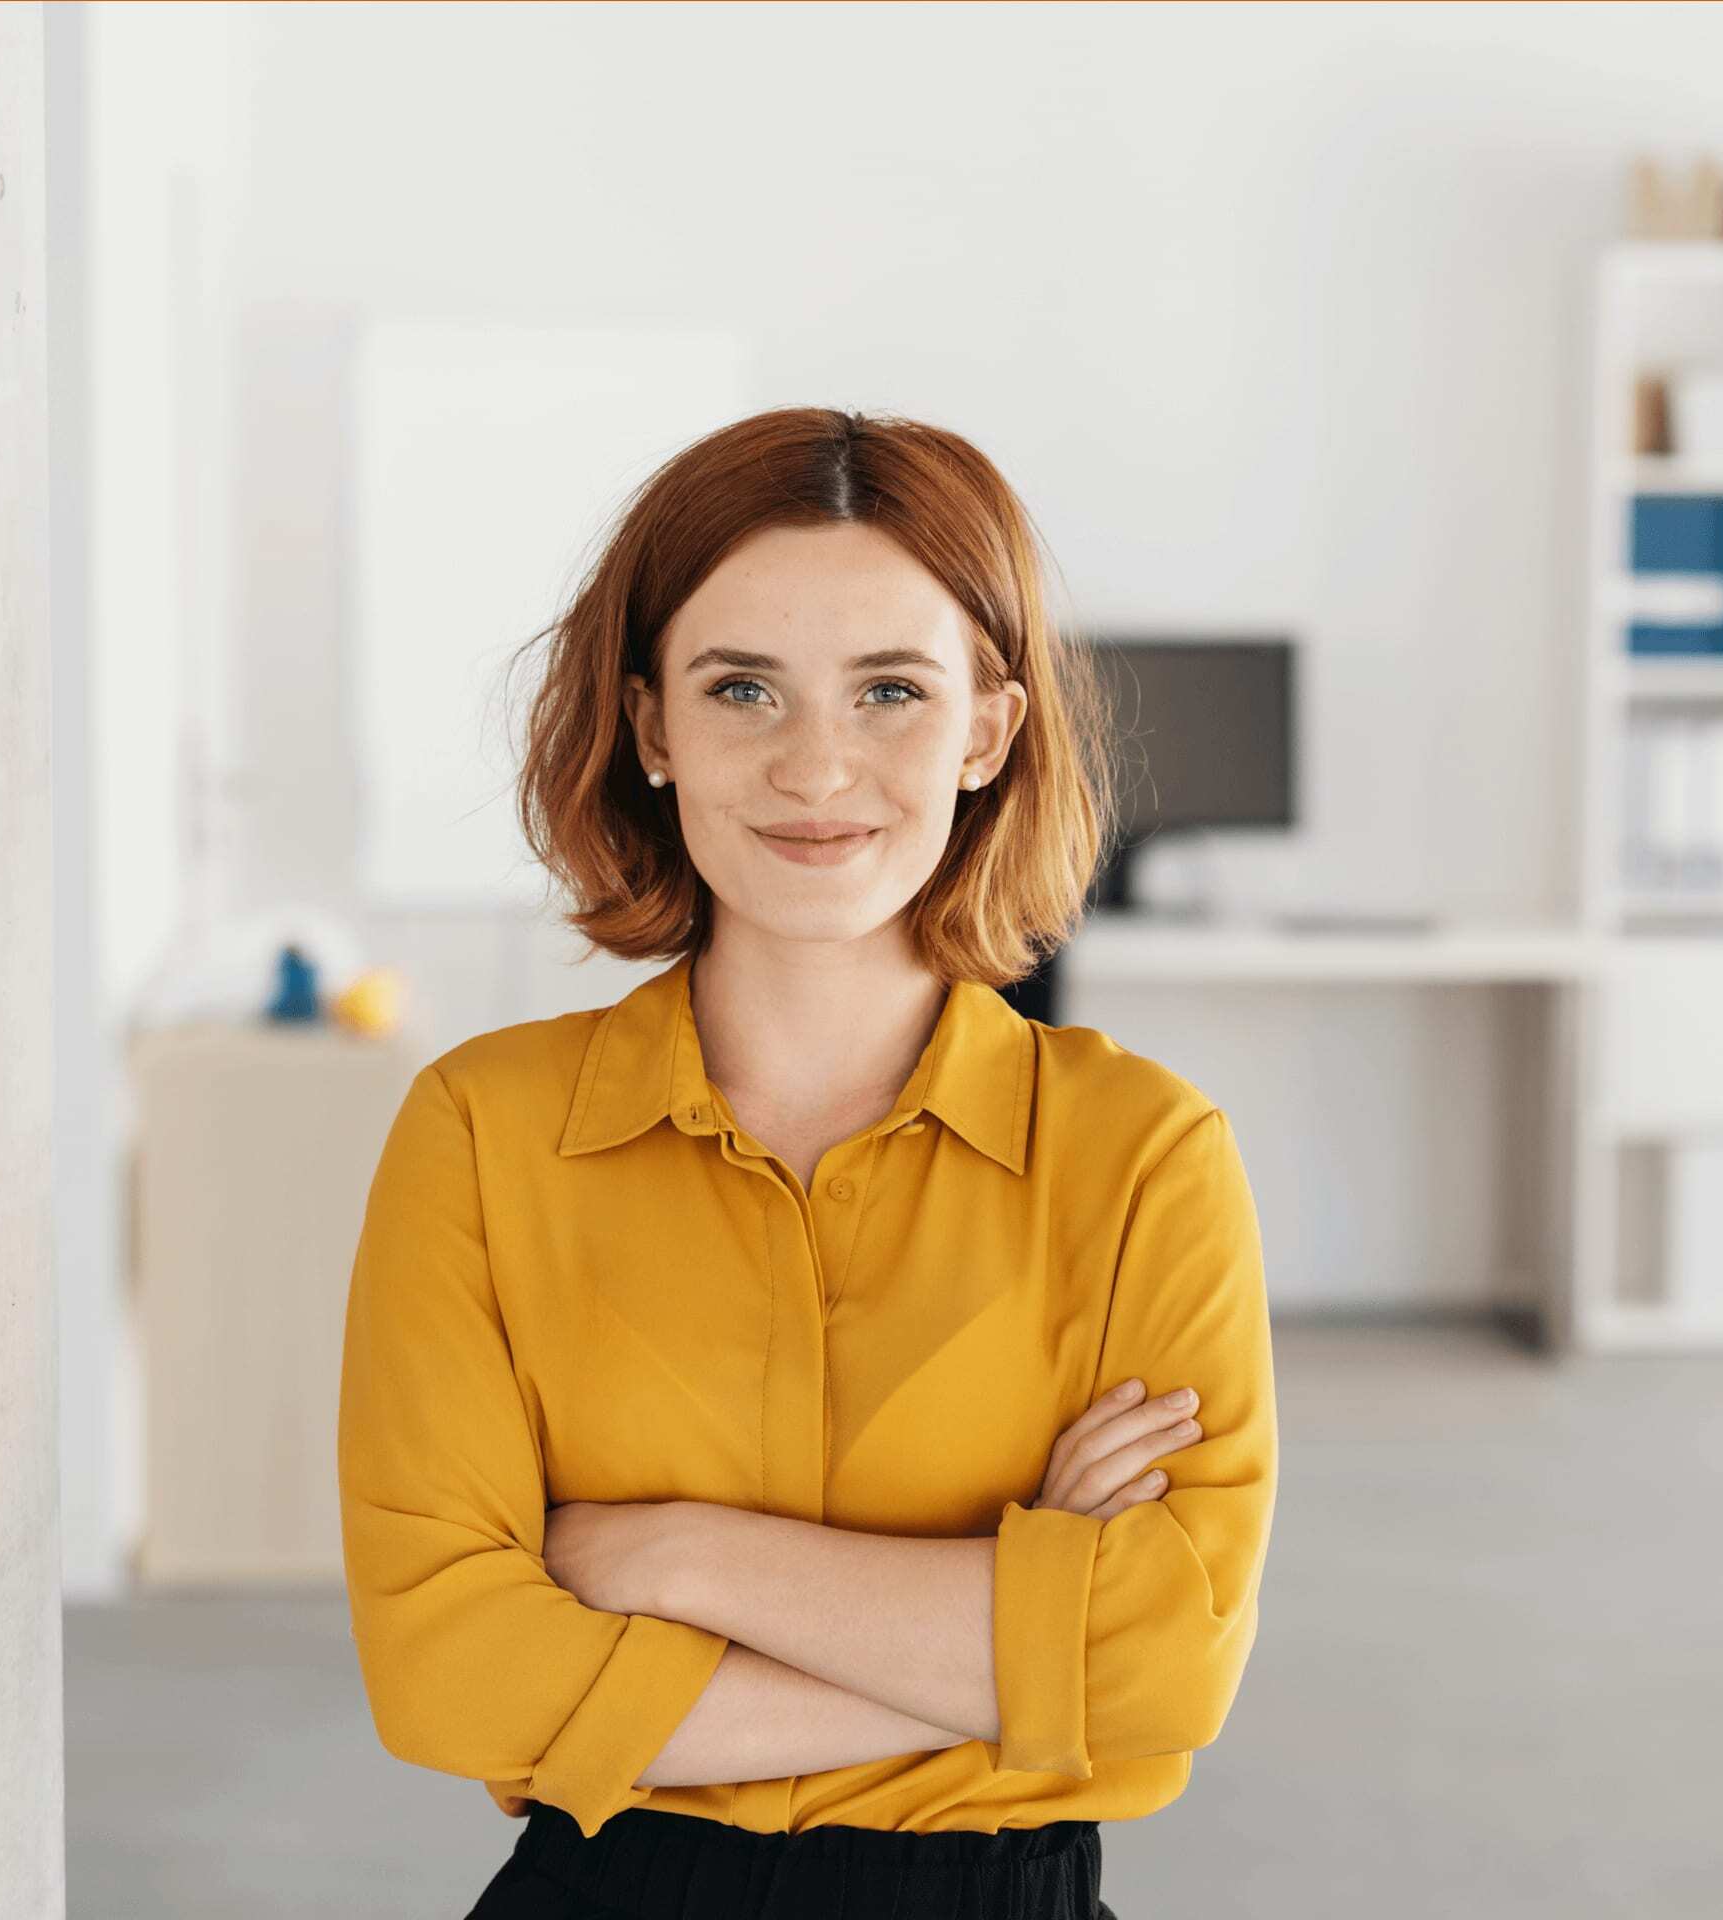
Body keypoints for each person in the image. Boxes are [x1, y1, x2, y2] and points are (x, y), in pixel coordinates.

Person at [336, 407, 1280, 1919]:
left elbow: (1169, 1668)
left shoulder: (1146, 1154)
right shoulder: (480, 1132)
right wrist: (1026, 1662)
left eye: (892, 690)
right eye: (744, 689)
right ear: (653, 728)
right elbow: (452, 1675)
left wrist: (670, 1556)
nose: (816, 765)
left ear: (988, 727)